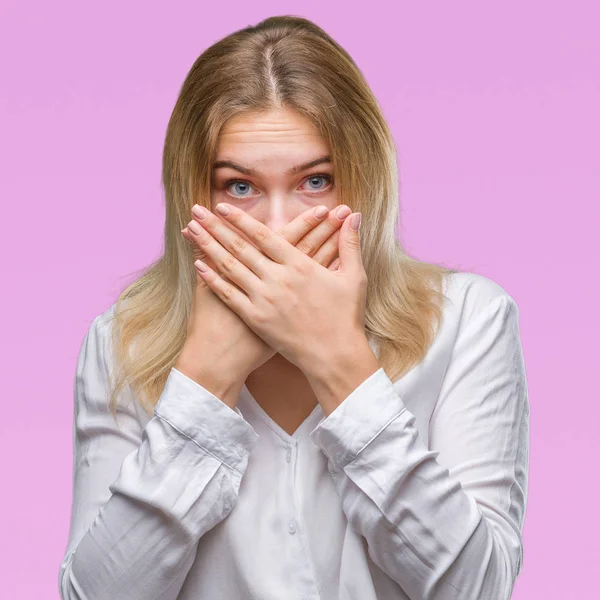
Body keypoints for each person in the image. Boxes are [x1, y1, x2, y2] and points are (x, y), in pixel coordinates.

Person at [58, 15, 530, 600]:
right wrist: (201, 388)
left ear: (364, 179)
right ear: (193, 193)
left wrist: (343, 369)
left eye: (315, 182)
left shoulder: (466, 323)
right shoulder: (123, 342)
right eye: (239, 187)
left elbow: (479, 589)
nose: (278, 229)